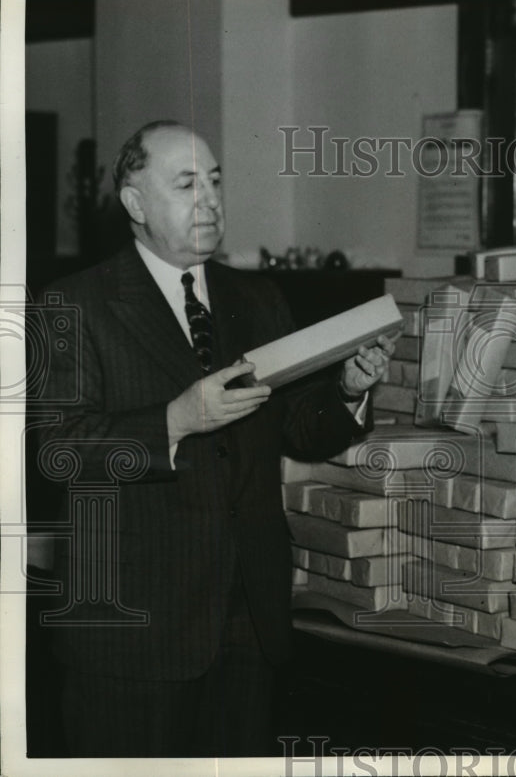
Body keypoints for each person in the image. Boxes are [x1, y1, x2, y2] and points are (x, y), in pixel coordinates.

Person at [33, 120, 394, 757]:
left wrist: (346, 390)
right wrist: (175, 419)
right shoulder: (74, 304)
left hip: (245, 624)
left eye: (217, 180)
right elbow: (58, 451)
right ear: (136, 204)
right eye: (187, 183)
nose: (211, 199)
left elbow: (290, 428)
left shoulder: (256, 298)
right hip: (131, 636)